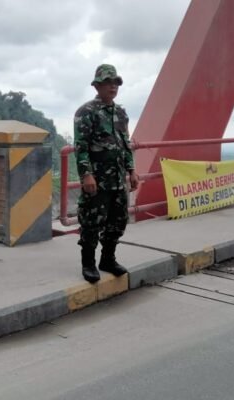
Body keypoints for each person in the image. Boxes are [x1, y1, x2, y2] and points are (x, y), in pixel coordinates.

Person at [74, 64, 139, 283]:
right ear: (97, 86)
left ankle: (108, 259)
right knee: (91, 222)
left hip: (118, 180)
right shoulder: (86, 112)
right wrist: (86, 175)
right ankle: (88, 263)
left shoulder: (120, 113)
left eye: (116, 83)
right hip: (97, 180)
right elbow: (81, 146)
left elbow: (125, 144)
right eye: (108, 82)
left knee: (118, 222)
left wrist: (132, 171)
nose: (113, 86)